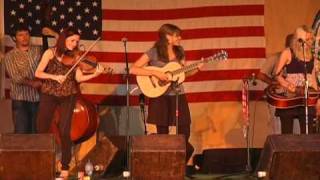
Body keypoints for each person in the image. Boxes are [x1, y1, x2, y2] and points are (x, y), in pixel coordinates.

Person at [130, 24, 203, 168]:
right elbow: (133, 69)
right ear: (167, 37)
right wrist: (155, 73)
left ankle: (177, 166)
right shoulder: (153, 52)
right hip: (159, 95)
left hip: (177, 94)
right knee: (162, 132)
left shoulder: (180, 51)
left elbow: (183, 74)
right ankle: (164, 167)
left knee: (184, 130)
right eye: (177, 35)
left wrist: (197, 69)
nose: (180, 38)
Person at [35, 27, 104, 178]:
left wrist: (95, 74)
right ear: (63, 39)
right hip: (49, 93)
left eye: (77, 41)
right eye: (72, 40)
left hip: (69, 95)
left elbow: (78, 78)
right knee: (42, 126)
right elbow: (38, 72)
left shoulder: (75, 57)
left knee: (65, 131)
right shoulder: (50, 53)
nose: (74, 44)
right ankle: (42, 162)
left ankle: (65, 168)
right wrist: (55, 77)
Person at [4, 24, 58, 134]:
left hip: (39, 99)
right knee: (21, 134)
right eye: (20, 35)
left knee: (38, 133)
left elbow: (59, 51)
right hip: (20, 100)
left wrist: (54, 34)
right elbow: (16, 77)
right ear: (14, 38)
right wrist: (32, 83)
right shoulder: (9, 56)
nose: (24, 37)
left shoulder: (40, 50)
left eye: (26, 34)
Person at [275, 25, 318, 134]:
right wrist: (288, 85)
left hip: (306, 97)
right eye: (306, 40)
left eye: (310, 39)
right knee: (287, 133)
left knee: (308, 133)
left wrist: (317, 98)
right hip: (290, 97)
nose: (309, 42)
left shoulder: (312, 55)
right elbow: (277, 74)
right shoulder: (288, 52)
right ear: (298, 40)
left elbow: (312, 77)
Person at [256, 34, 293, 134]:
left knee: (296, 130)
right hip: (277, 99)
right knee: (278, 128)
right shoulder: (276, 57)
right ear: (288, 44)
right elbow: (260, 75)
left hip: (294, 99)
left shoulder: (301, 60)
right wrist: (272, 82)